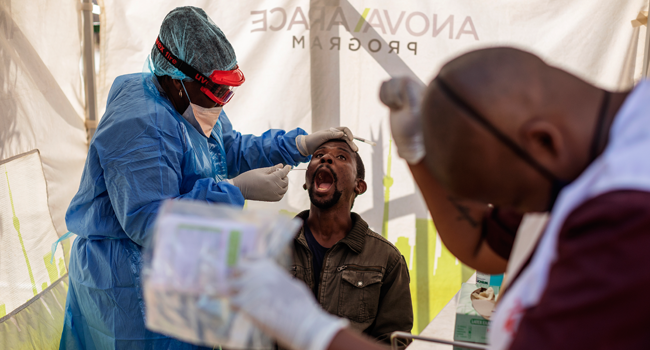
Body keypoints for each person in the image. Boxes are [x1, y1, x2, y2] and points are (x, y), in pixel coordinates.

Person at [229, 47, 650, 350]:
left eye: (507, 196)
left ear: (542, 142)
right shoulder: (575, 165)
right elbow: (484, 244)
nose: (507, 211)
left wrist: (310, 331)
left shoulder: (627, 227)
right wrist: (419, 155)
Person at [60, 6, 358, 349]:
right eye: (216, 92)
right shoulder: (138, 124)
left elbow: (227, 149)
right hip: (128, 286)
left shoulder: (189, 103)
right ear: (175, 80)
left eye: (226, 92)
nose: (222, 101)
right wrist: (234, 190)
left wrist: (296, 144)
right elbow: (151, 223)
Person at [290, 139, 412, 348]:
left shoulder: (387, 259)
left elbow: (393, 341)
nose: (326, 158)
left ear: (359, 185)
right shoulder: (270, 246)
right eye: (318, 155)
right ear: (306, 181)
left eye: (341, 157)